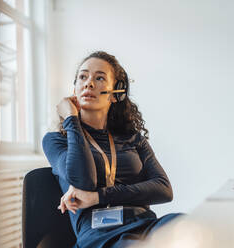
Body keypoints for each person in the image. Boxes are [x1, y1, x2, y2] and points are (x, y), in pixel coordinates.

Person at [42, 51, 182, 248]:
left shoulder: (133, 139)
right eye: (82, 77)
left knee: (183, 224)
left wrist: (98, 197)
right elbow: (83, 181)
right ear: (74, 88)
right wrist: (71, 120)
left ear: (116, 94)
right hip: (100, 237)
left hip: (143, 225)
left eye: (99, 78)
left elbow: (163, 189)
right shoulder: (57, 140)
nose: (88, 83)